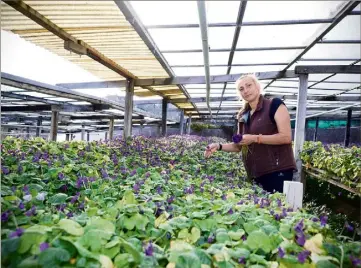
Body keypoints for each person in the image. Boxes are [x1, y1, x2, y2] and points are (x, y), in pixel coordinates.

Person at [204, 74, 296, 193]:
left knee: (278, 209)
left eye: (249, 86)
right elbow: (238, 146)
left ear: (257, 86)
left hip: (277, 172)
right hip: (255, 174)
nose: (245, 91)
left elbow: (286, 137)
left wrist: (254, 138)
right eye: (241, 89)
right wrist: (218, 146)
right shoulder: (243, 115)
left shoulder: (274, 105)